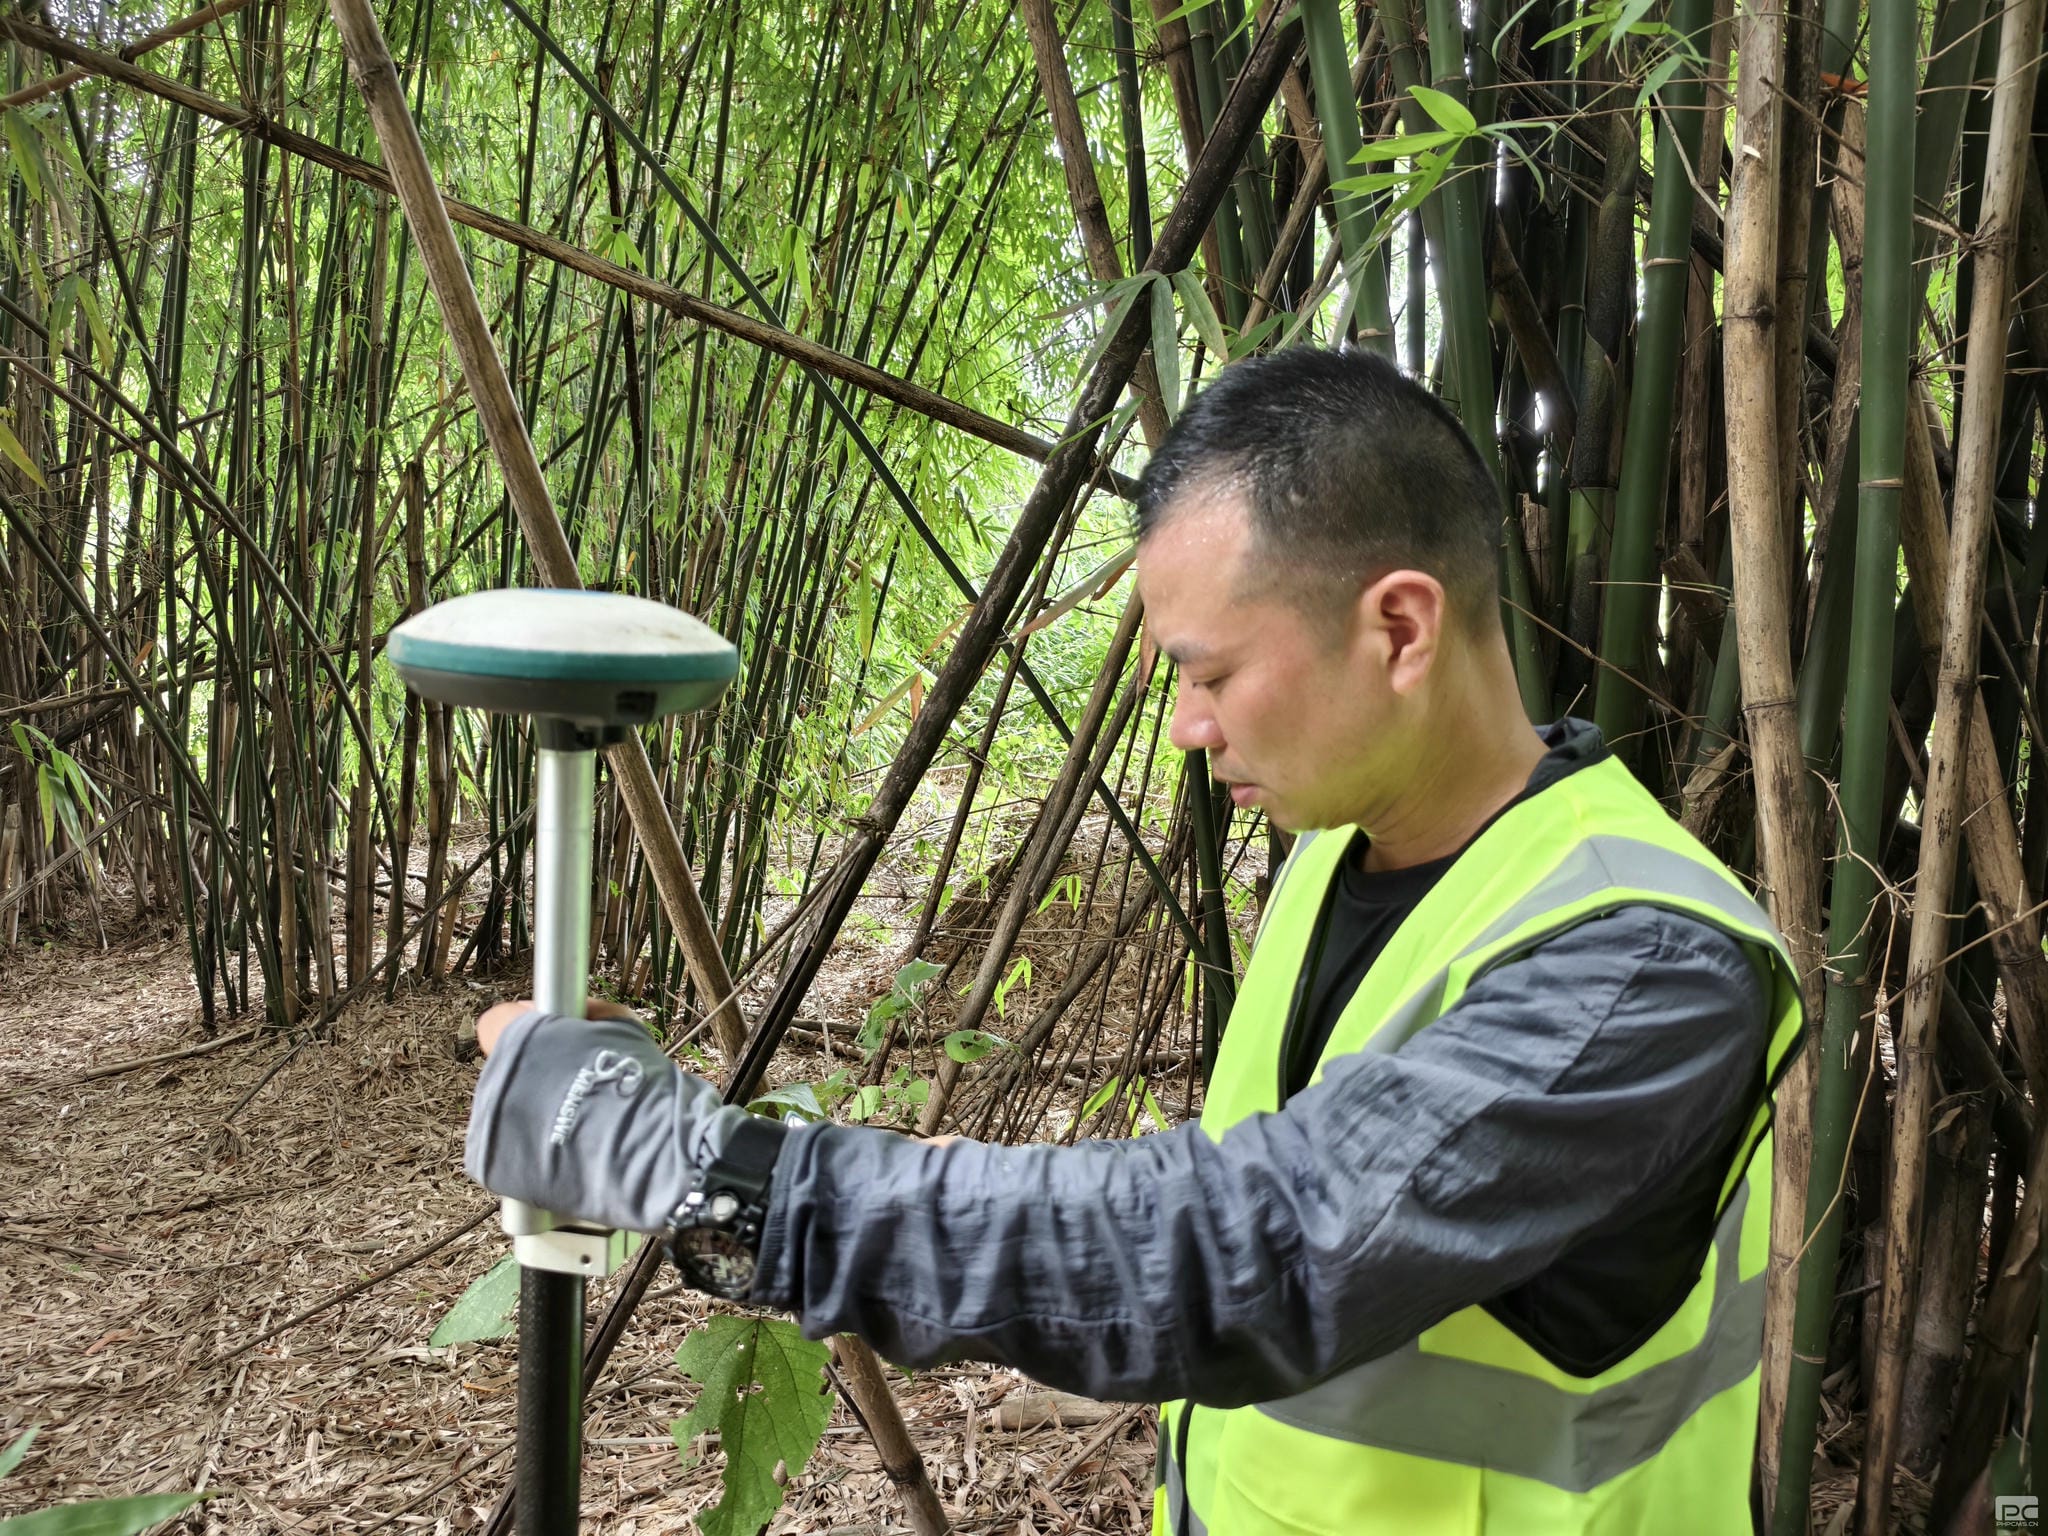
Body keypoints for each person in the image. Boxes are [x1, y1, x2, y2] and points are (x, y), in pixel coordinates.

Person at [464, 347, 1806, 1535]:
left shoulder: (1645, 969)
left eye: (1212, 674)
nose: (1187, 727)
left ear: (1399, 628)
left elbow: (1251, 1249)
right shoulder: (1336, 851)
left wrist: (710, 1169)